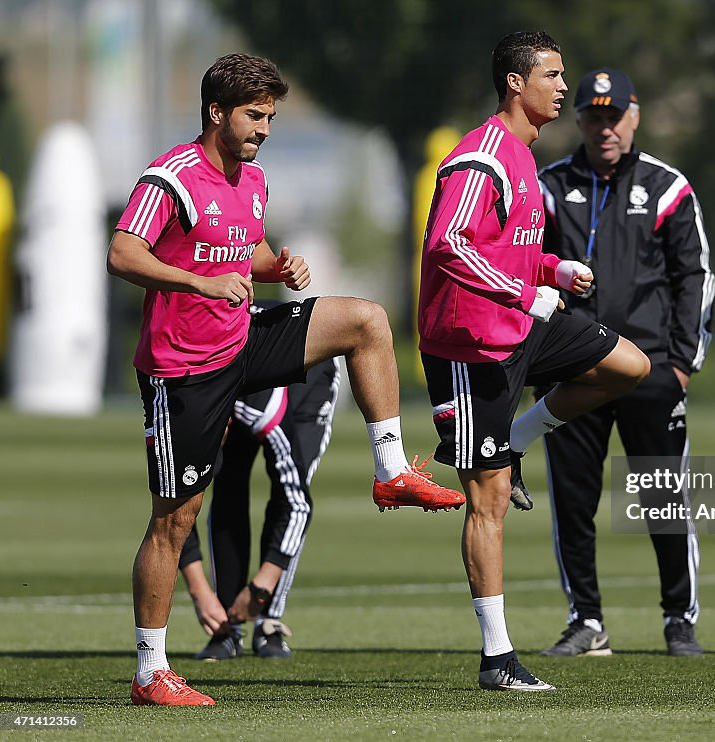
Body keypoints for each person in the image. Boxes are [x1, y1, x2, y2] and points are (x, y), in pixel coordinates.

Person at [107, 53, 466, 707]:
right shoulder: (172, 176)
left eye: (271, 116)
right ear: (216, 112)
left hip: (240, 338)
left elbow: (241, 249)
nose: (264, 128)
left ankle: (390, 470)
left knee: (365, 320)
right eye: (254, 115)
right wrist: (197, 280)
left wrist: (278, 266)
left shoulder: (253, 181)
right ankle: (149, 672)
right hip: (182, 370)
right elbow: (123, 252)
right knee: (175, 521)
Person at [418, 32, 651, 692]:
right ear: (515, 85)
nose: (561, 85)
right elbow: (447, 247)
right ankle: (497, 659)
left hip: (521, 327)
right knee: (487, 502)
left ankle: (519, 437)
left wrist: (554, 267)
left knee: (630, 366)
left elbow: (508, 249)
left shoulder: (523, 158)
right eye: (552, 74)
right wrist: (527, 289)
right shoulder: (482, 158)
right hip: (470, 348)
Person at [534, 68, 715, 657]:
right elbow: (524, 266)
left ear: (634, 116)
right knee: (573, 500)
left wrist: (682, 362)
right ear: (579, 120)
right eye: (592, 116)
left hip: (650, 366)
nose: (604, 127)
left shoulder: (666, 187)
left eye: (614, 116)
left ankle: (678, 619)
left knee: (663, 498)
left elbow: (695, 277)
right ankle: (586, 620)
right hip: (574, 367)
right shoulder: (550, 185)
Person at [178, 350, 344, 660]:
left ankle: (269, 621)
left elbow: (297, 504)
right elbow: (172, 506)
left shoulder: (263, 412)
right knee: (222, 485)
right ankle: (226, 628)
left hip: (306, 374)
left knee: (289, 489)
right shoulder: (179, 414)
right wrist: (200, 593)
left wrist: (261, 587)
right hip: (228, 378)